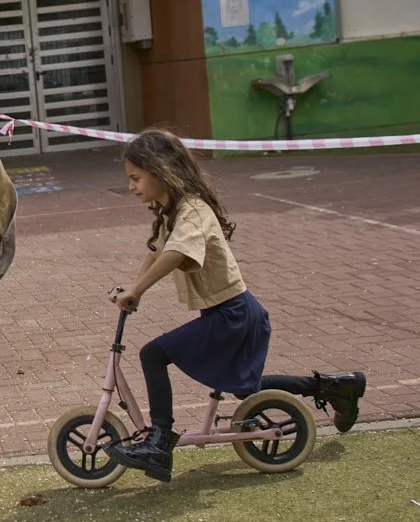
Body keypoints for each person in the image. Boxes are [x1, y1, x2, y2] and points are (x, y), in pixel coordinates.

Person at [106, 128, 367, 482]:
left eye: (136, 178)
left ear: (160, 170)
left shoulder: (193, 210)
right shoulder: (173, 211)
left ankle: (160, 440)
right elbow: (155, 252)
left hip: (234, 313)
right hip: (229, 313)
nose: (133, 186)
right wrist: (134, 288)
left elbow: (176, 253)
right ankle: (335, 387)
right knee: (245, 387)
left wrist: (137, 291)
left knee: (153, 354)